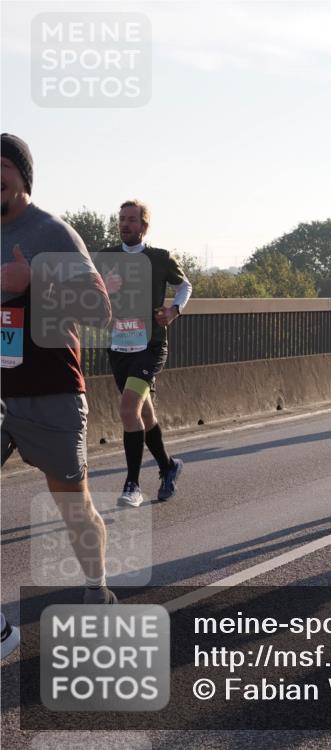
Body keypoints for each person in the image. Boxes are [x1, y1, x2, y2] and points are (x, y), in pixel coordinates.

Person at [1, 133, 118, 661]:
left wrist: (32, 280)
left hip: (49, 388)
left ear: (22, 178)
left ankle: (96, 587)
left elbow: (98, 310)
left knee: (73, 505)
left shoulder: (52, 232)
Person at [96, 200, 191, 507]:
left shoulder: (159, 258)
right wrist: (103, 287)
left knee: (128, 410)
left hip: (151, 346)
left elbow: (185, 286)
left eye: (132, 220)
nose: (125, 224)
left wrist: (174, 310)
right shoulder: (107, 257)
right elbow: (84, 289)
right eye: (122, 219)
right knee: (144, 414)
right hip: (119, 345)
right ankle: (168, 467)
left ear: (144, 226)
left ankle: (132, 485)